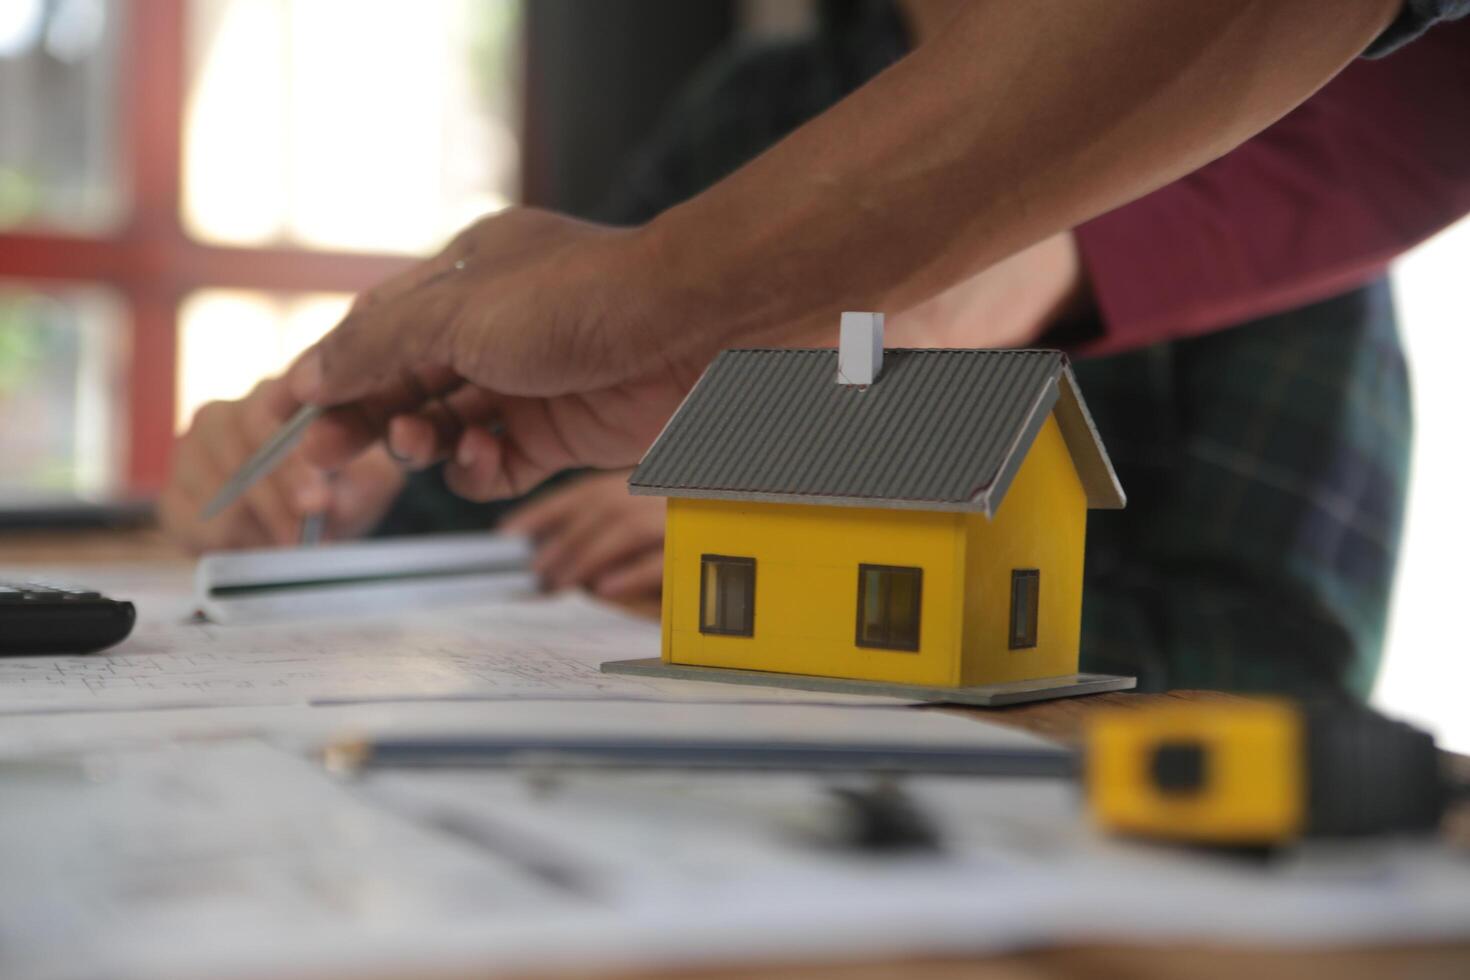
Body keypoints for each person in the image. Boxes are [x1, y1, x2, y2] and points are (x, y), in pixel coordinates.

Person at [162, 0, 1470, 695]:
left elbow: (1286, 662)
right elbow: (511, 494)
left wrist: (816, 586)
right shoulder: (764, 103)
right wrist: (335, 507)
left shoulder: (1294, 131)